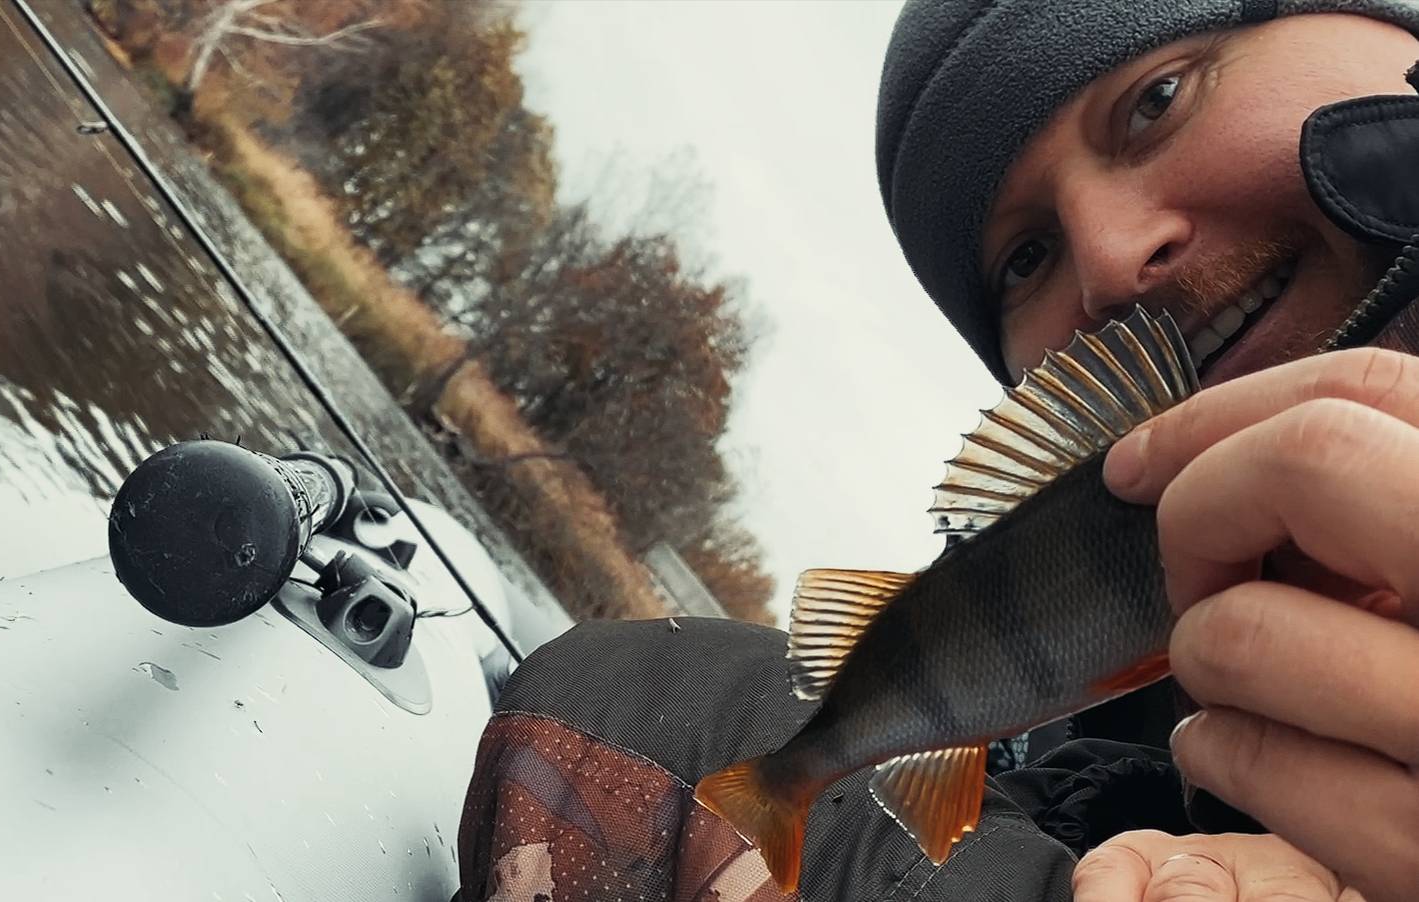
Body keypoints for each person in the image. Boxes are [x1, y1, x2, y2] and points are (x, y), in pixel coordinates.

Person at [455, 2, 1419, 900]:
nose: (1107, 257)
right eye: (1025, 259)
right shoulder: (1081, 752)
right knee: (656, 705)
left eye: (1156, 99)